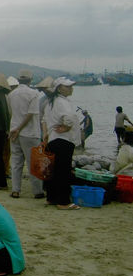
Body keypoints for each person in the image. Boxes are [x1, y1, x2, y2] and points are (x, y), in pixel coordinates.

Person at [43, 77, 81, 210]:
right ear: (59, 88)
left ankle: (51, 198)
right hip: (63, 139)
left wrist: (46, 134)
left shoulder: (51, 102)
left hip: (54, 139)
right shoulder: (62, 102)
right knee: (63, 171)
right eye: (67, 86)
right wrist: (67, 127)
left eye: (71, 86)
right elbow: (69, 117)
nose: (71, 88)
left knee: (53, 170)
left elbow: (44, 119)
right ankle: (63, 201)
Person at [8, 70, 44, 199]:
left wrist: (15, 128)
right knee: (33, 162)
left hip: (14, 130)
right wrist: (19, 128)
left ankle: (15, 190)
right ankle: (37, 191)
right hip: (29, 132)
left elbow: (11, 112)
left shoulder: (12, 94)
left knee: (16, 162)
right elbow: (31, 113)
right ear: (30, 80)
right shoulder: (33, 94)